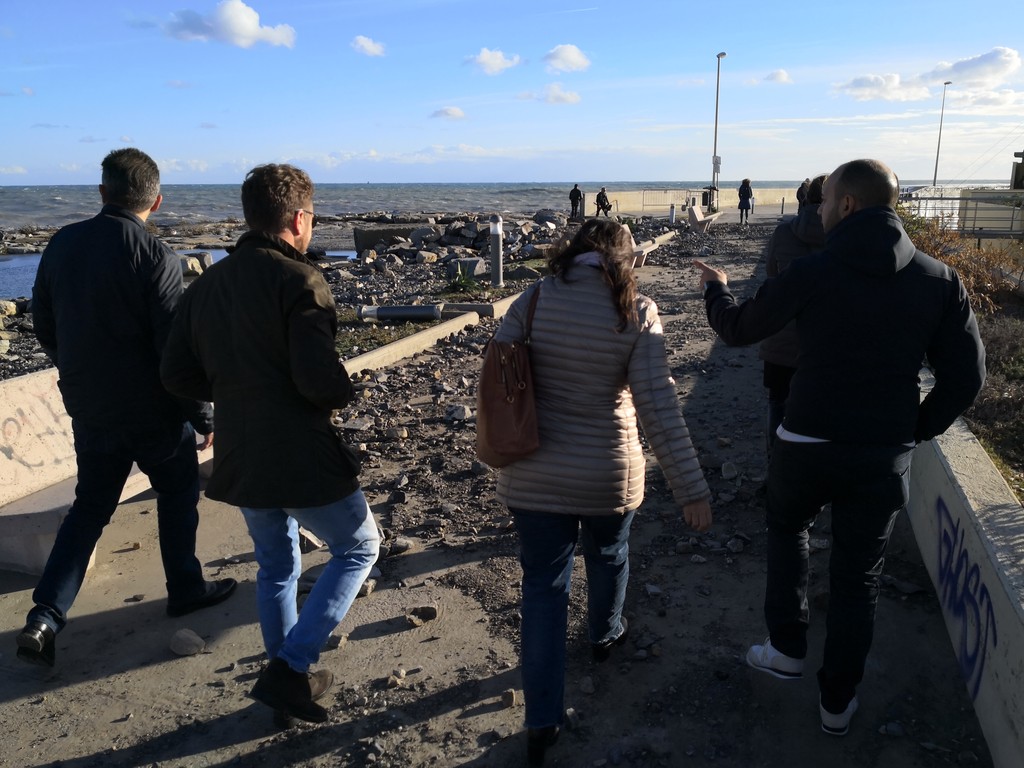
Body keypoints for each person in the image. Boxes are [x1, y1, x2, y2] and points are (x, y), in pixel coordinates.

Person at [694, 159, 985, 736]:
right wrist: (915, 428)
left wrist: (716, 290)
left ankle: (787, 648)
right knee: (859, 577)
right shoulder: (939, 279)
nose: (819, 209)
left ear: (848, 204)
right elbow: (968, 377)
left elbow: (739, 329)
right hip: (881, 455)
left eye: (825, 200)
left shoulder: (815, 271)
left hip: (806, 442)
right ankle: (837, 702)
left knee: (788, 529)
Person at [161, 163, 380, 726]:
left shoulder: (206, 285)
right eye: (313, 219)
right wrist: (344, 387)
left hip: (241, 449)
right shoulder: (300, 280)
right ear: (299, 219)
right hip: (300, 450)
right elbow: (318, 383)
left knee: (277, 567)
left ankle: (286, 687)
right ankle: (289, 668)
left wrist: (233, 388)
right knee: (359, 547)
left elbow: (175, 373)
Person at [493, 219, 712, 765]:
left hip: (535, 472)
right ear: (626, 259)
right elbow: (658, 406)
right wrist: (691, 488)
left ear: (573, 251)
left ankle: (541, 722)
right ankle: (604, 634)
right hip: (609, 472)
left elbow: (500, 375)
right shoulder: (636, 310)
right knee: (610, 552)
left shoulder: (533, 299)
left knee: (543, 590)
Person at [17, 148, 237, 668]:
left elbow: (44, 324)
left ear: (102, 193)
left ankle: (45, 616)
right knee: (177, 493)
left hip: (91, 407)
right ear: (156, 202)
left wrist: (77, 371)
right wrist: (202, 416)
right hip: (152, 411)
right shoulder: (156, 255)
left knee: (89, 509)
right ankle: (185, 588)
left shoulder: (62, 243)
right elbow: (172, 350)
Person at [758, 174, 827, 459]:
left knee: (777, 403)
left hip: (781, 337)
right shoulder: (843, 238)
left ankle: (775, 463)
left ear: (806, 198)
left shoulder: (784, 233)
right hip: (824, 343)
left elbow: (771, 274)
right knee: (821, 407)